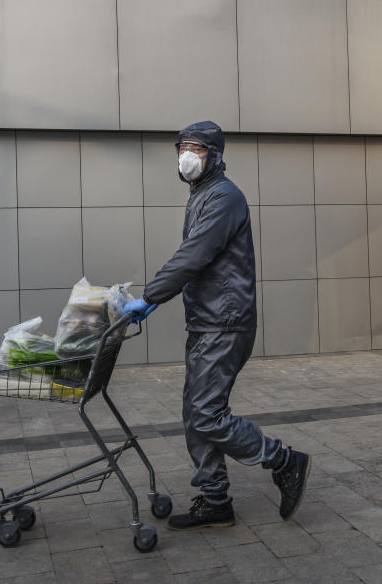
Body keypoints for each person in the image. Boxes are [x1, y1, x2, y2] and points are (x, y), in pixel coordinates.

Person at [122, 121, 310, 530]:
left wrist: (150, 297)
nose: (186, 156)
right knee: (197, 413)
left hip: (225, 322)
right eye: (182, 148)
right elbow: (195, 258)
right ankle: (215, 500)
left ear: (215, 155)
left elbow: (193, 255)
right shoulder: (202, 195)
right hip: (209, 321)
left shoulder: (224, 197)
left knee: (206, 413)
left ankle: (283, 461)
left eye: (196, 148)